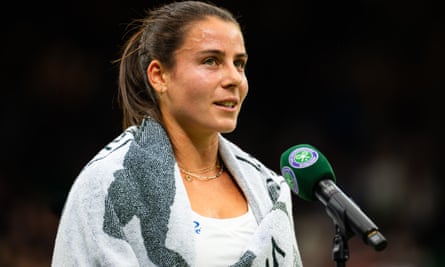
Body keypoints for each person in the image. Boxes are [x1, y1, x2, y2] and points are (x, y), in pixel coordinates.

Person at [51, 1, 303, 266]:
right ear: (159, 76)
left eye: (239, 64)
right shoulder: (108, 182)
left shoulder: (268, 187)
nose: (235, 79)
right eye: (211, 61)